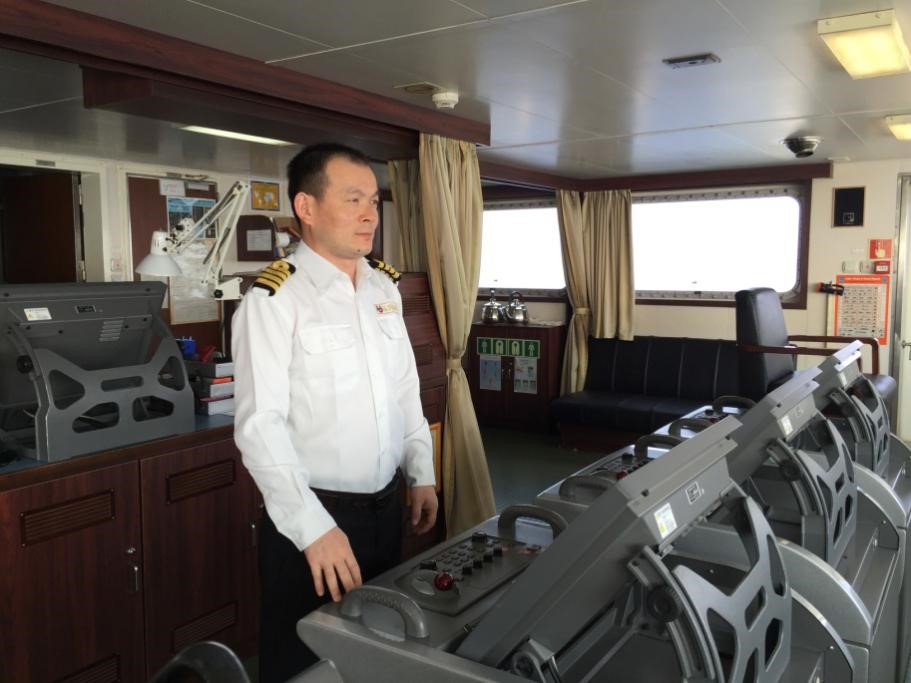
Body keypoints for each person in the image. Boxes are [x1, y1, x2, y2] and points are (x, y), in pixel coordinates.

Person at [232, 142, 438, 683]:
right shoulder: (274, 299)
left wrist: (421, 471)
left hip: (386, 508)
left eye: (373, 200)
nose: (370, 214)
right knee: (306, 664)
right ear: (306, 207)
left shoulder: (383, 287)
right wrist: (313, 529)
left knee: (380, 653)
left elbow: (404, 390)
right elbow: (259, 427)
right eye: (353, 199)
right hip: (314, 518)